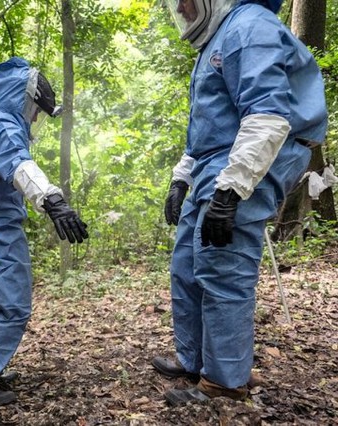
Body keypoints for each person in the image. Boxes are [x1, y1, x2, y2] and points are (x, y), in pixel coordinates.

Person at [155, 0, 328, 405]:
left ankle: (224, 382)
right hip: (217, 161)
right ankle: (195, 360)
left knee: (222, 263)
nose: (181, 5)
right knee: (186, 264)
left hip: (252, 159)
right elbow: (209, 122)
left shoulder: (250, 26)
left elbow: (267, 115)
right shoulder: (218, 37)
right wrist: (182, 177)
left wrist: (232, 190)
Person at [0, 57, 88, 407]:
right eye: (35, 108)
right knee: (13, 301)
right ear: (23, 98)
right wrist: (54, 201)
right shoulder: (3, 124)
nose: (36, 116)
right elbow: (19, 164)